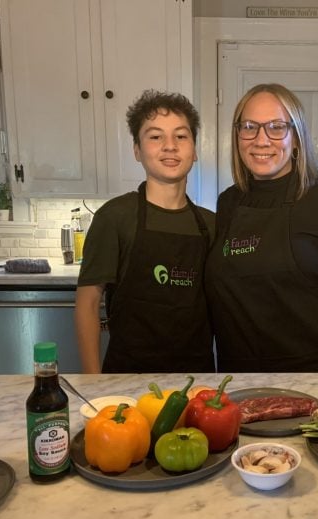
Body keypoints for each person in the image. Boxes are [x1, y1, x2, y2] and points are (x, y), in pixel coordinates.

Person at [204, 83, 318, 372]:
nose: (261, 140)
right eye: (250, 127)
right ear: (237, 135)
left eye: (277, 127)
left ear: (297, 137)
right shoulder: (229, 202)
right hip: (241, 379)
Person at [75, 90, 215, 373]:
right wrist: (93, 384)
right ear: (137, 150)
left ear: (195, 150)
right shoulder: (114, 217)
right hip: (126, 380)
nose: (170, 146)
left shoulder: (211, 225)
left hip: (196, 382)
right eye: (155, 136)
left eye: (181, 136)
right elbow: (87, 304)